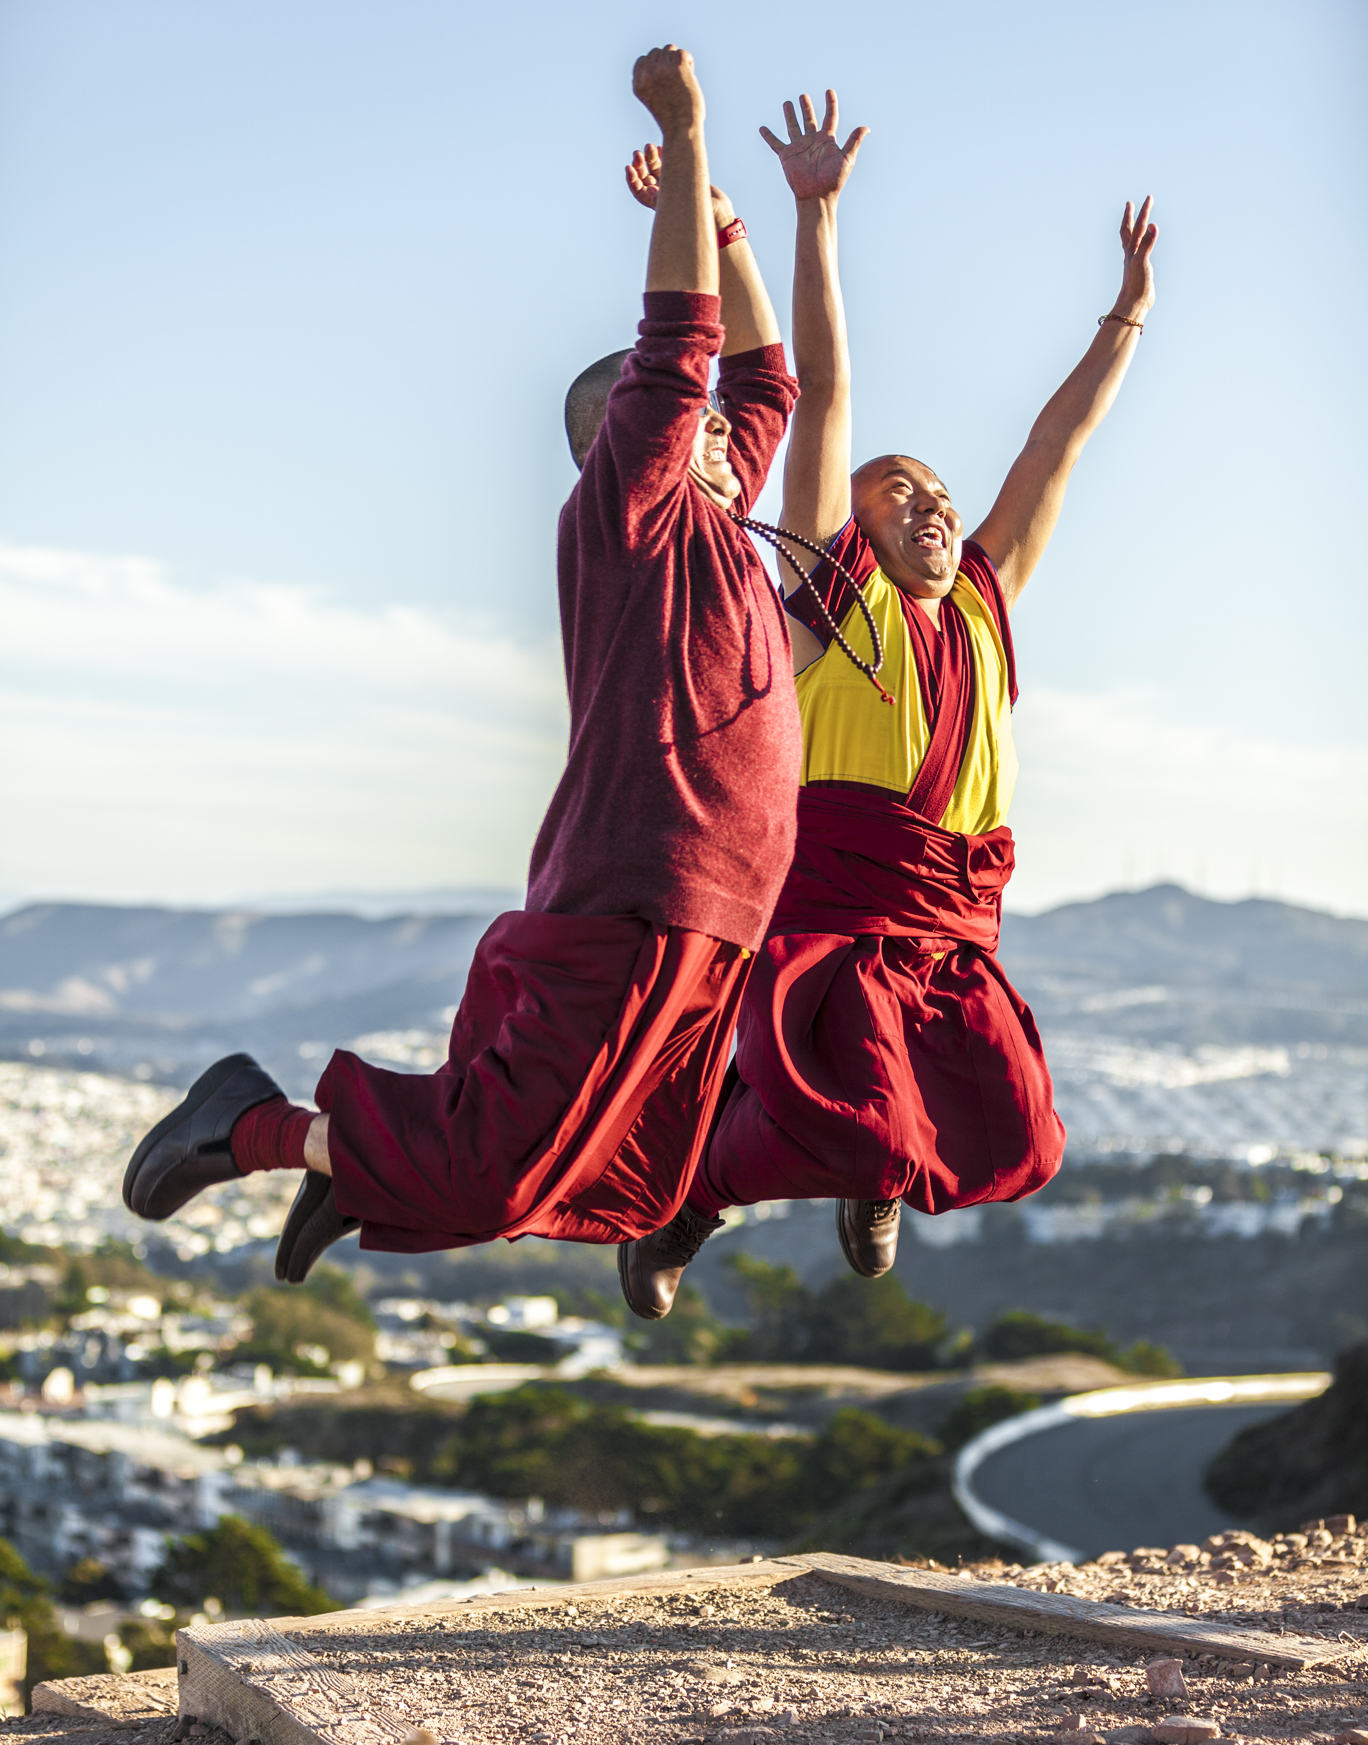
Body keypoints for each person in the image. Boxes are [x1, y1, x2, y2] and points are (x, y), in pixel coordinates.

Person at [123, 45, 802, 1282]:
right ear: (624, 439)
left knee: (635, 1178)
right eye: (681, 418)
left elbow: (769, 377)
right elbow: (689, 345)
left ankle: (352, 1164)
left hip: (725, 911)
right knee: (502, 1166)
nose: (716, 429)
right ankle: (255, 1127)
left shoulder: (721, 507)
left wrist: (726, 221)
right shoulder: (632, 517)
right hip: (647, 884)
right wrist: (689, 132)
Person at [618, 88, 1158, 1319]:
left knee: (1022, 1144)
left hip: (959, 922)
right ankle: (692, 1195)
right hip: (843, 918)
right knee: (865, 1128)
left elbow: (1051, 450)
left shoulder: (981, 600)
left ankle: (868, 1177)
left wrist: (1123, 318)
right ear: (846, 523)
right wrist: (814, 221)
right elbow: (828, 393)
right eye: (894, 488)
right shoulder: (826, 591)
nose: (928, 501)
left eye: (936, 489)